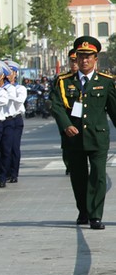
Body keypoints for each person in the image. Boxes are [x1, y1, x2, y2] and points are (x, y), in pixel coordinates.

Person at [50, 36, 116, 230]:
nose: (84, 60)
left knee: (98, 176)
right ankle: (83, 211)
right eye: (80, 56)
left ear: (96, 58)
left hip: (98, 137)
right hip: (74, 138)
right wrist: (65, 125)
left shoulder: (105, 82)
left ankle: (95, 215)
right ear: (76, 58)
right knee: (78, 178)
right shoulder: (64, 82)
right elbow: (56, 106)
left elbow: (113, 110)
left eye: (88, 56)